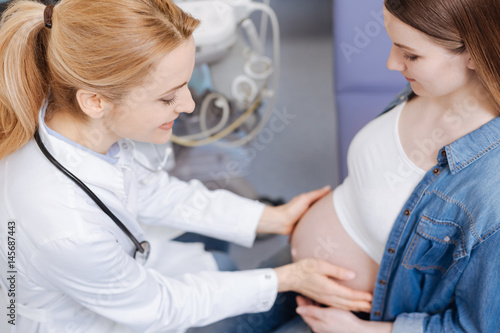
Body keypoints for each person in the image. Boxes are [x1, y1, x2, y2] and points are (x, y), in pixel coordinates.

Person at [0, 0, 374, 332]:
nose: (189, 105)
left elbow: (146, 188)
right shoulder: (67, 227)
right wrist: (285, 279)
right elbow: (159, 307)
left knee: (226, 267)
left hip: (128, 269)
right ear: (94, 102)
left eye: (185, 84)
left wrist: (270, 218)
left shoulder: (74, 116)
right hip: (98, 316)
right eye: (167, 98)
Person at [285, 0, 500, 331]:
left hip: (350, 320)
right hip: (299, 267)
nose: (390, 63)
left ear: (475, 51)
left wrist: (359, 331)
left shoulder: (491, 189)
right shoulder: (426, 88)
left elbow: (477, 326)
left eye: (410, 55)